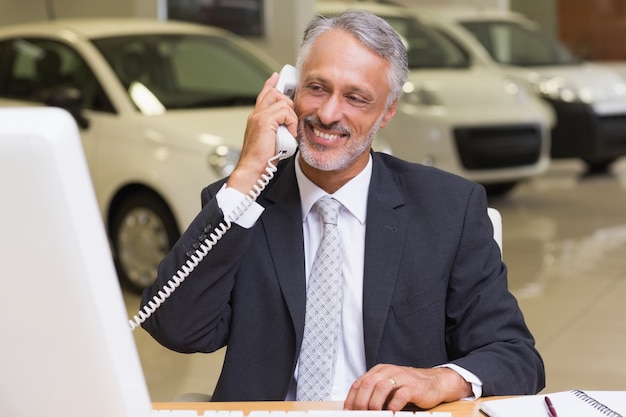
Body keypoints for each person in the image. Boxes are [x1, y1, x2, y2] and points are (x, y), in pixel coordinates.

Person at [141, 9, 545, 411]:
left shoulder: (448, 209)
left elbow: (516, 357)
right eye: (317, 88)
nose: (329, 114)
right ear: (290, 89)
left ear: (387, 110)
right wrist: (247, 174)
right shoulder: (243, 204)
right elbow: (176, 328)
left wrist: (440, 378)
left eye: (355, 97)